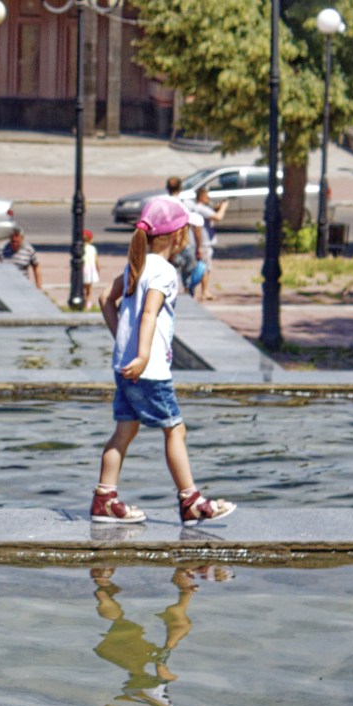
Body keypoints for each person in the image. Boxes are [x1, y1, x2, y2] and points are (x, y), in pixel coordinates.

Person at [93, 195, 236, 524]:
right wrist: (143, 355)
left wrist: (124, 343)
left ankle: (104, 499)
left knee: (124, 430)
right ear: (177, 236)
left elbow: (104, 299)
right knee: (175, 430)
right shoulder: (164, 271)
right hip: (150, 370)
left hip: (124, 366)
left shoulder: (138, 264)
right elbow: (149, 313)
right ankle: (191, 501)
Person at [191, 184, 225, 300]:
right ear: (202, 198)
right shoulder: (201, 208)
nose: (209, 199)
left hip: (202, 243)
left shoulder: (198, 208)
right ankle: (204, 291)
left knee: (201, 267)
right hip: (204, 243)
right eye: (207, 197)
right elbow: (218, 217)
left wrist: (216, 208)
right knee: (205, 268)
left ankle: (198, 291)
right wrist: (223, 207)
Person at [77, 229, 101, 303]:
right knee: (89, 287)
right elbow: (96, 261)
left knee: (82, 286)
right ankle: (88, 301)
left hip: (83, 269)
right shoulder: (93, 248)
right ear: (90, 239)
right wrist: (98, 269)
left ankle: (82, 299)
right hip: (91, 270)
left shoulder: (80, 249)